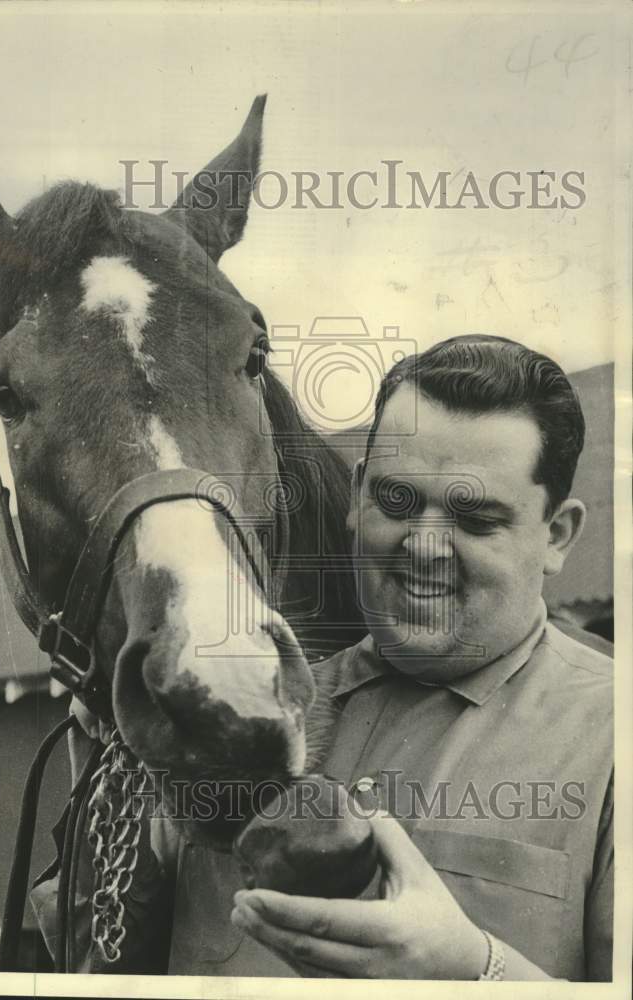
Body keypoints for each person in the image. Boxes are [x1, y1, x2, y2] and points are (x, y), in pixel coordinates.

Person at [53, 334, 613, 981]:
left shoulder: (609, 737)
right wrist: (111, 778)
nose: (424, 547)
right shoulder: (242, 715)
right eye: (396, 502)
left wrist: (473, 971)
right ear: (355, 496)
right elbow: (108, 958)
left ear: (557, 535)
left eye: (475, 518)